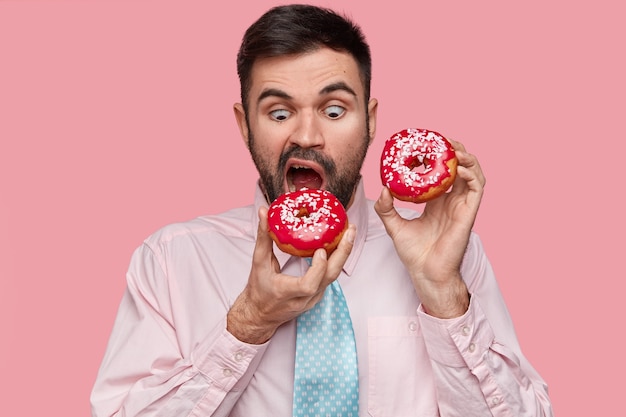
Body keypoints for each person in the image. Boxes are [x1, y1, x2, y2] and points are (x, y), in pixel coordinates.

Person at [91, 4, 553, 416]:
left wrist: (444, 295)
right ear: (243, 124)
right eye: (278, 113)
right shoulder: (172, 261)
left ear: (371, 121)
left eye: (334, 111)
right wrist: (248, 322)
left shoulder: (451, 257)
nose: (307, 136)